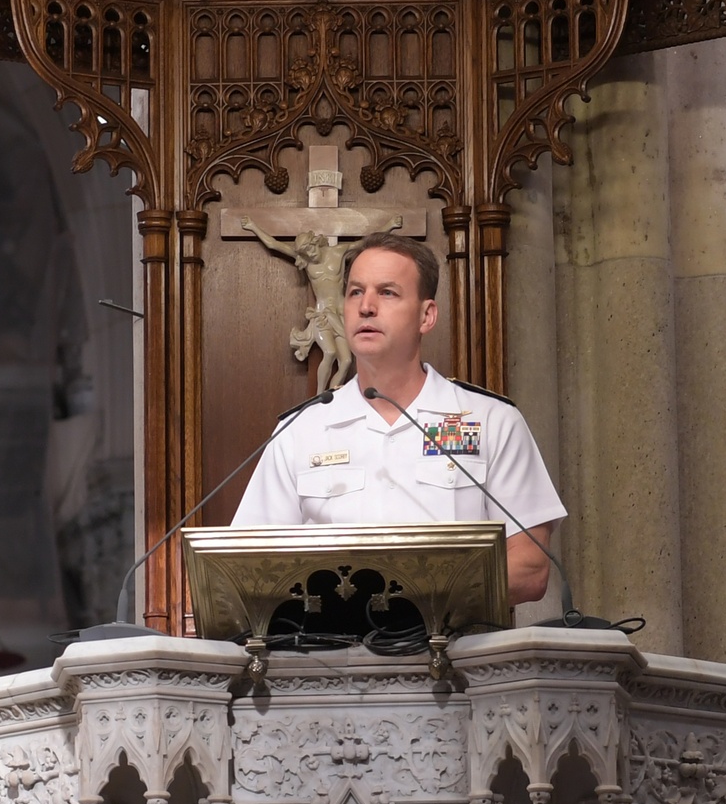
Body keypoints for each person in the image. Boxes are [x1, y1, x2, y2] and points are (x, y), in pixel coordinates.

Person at [232, 230, 565, 605]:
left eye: (387, 292)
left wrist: (408, 600)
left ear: (427, 315)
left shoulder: (491, 421)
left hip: (455, 655)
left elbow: (530, 567)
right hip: (328, 657)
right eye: (355, 291)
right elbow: (250, 567)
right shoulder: (300, 430)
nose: (366, 307)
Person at [240, 215, 401, 395]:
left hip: (341, 315)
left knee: (346, 362)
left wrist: (390, 225)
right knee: (330, 353)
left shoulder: (339, 252)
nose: (309, 254)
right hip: (321, 315)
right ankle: (317, 397)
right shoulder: (307, 262)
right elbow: (273, 244)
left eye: (310, 248)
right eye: (305, 252)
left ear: (316, 242)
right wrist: (253, 226)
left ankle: (332, 396)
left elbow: (364, 244)